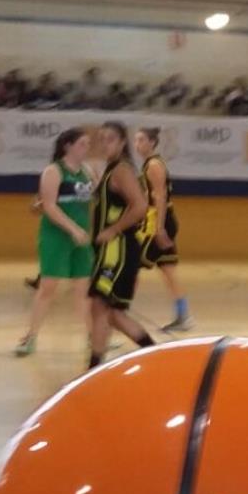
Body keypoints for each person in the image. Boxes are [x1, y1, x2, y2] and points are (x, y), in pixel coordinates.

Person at [16, 129, 95, 357]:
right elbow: (49, 206)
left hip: (82, 236)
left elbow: (95, 198)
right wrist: (73, 229)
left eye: (88, 144)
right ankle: (29, 338)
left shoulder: (88, 171)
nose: (86, 148)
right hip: (57, 236)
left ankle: (93, 337)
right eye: (82, 144)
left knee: (83, 289)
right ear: (68, 146)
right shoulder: (53, 171)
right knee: (48, 288)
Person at [86, 122, 155, 371]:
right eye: (101, 138)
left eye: (110, 139)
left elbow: (140, 206)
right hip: (111, 249)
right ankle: (154, 353)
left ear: (122, 142)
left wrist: (113, 229)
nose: (105, 143)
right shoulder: (111, 169)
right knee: (112, 314)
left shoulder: (122, 170)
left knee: (99, 306)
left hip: (118, 250)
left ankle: (92, 370)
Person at [134, 128, 191, 332]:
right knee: (168, 271)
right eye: (135, 140)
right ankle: (183, 316)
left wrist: (159, 228)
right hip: (161, 220)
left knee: (132, 264)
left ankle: (118, 312)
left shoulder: (154, 165)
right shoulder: (149, 164)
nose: (137, 144)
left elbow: (160, 197)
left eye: (141, 140)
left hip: (159, 222)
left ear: (152, 142)